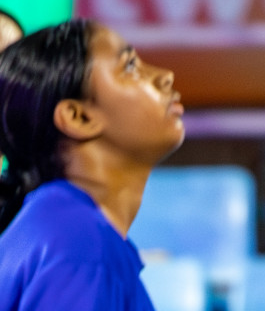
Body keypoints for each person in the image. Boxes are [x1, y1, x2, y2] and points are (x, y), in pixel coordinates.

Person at [0, 19, 185, 311]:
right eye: (130, 67)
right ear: (78, 117)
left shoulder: (61, 229)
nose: (164, 76)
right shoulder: (80, 244)